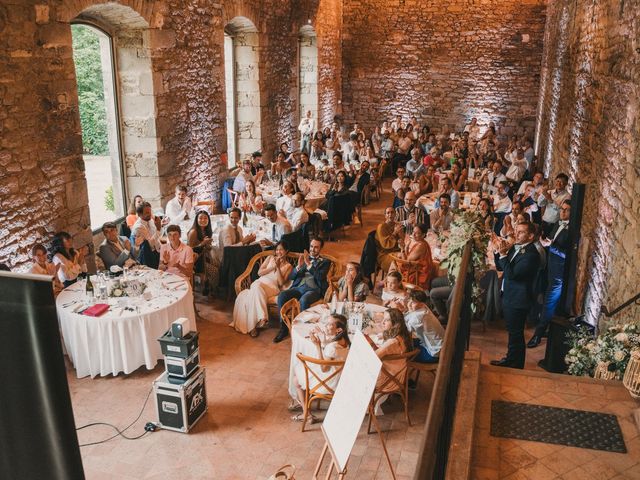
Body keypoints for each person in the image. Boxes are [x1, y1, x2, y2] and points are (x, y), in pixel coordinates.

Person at [491, 221, 541, 368]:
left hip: (519, 299)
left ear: (531, 236)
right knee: (513, 332)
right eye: (516, 231)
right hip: (509, 294)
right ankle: (511, 359)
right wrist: (498, 251)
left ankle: (515, 364)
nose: (516, 234)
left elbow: (512, 275)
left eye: (521, 232)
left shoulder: (531, 255)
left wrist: (503, 254)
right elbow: (502, 266)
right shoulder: (516, 248)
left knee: (516, 334)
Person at [291, 313, 350, 423]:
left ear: (338, 330)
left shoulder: (332, 347)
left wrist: (318, 345)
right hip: (340, 376)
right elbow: (332, 355)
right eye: (326, 323)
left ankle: (306, 414)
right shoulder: (345, 341)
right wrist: (324, 341)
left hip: (330, 382)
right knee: (301, 372)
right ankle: (305, 407)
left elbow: (324, 368)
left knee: (296, 379)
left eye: (330, 325)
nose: (326, 326)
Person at [528, 200, 572, 348]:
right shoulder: (558, 224)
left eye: (566, 210)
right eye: (562, 209)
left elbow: (568, 255)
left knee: (549, 302)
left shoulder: (572, 231)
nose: (563, 212)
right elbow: (553, 241)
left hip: (559, 273)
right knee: (543, 297)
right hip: (549, 267)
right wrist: (546, 242)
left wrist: (551, 246)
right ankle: (543, 325)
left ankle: (538, 335)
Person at [274, 237, 331, 343]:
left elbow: (320, 277)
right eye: (311, 246)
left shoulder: (325, 262)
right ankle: (283, 328)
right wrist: (298, 267)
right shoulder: (304, 258)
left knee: (304, 300)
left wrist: (308, 264)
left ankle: (305, 331)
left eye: (316, 247)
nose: (312, 249)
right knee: (282, 295)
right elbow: (291, 277)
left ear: (321, 248)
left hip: (313, 290)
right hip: (298, 287)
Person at [231, 240, 293, 337]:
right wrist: (273, 267)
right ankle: (257, 323)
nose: (278, 252)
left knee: (253, 289)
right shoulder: (270, 258)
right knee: (255, 287)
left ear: (286, 251)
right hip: (260, 282)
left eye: (281, 250)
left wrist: (278, 267)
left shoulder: (288, 266)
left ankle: (257, 323)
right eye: (277, 250)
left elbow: (281, 283)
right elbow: (260, 273)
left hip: (272, 287)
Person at [368, 308, 413, 398]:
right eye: (383, 319)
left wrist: (370, 344)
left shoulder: (392, 342)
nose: (383, 322)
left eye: (387, 320)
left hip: (388, 381)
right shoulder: (404, 334)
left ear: (396, 323)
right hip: (398, 375)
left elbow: (371, 358)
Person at [405, 289, 444, 363]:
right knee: (405, 343)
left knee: (401, 350)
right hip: (439, 346)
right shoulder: (423, 307)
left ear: (422, 303)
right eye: (409, 301)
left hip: (433, 353)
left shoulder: (420, 315)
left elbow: (405, 331)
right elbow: (408, 318)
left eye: (413, 302)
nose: (409, 304)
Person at [395, 224, 434, 290]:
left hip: (417, 274)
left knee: (394, 264)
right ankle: (389, 284)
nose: (413, 234)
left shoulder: (420, 246)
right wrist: (405, 247)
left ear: (423, 235)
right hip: (413, 268)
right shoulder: (420, 242)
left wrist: (403, 248)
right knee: (395, 263)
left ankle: (389, 285)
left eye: (417, 233)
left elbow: (406, 261)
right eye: (413, 232)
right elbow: (408, 258)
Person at [187, 210, 214, 294]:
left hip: (202, 255)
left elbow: (206, 247)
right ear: (196, 219)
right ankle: (205, 284)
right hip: (194, 258)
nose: (203, 220)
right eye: (200, 218)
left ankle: (208, 284)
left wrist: (208, 245)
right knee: (213, 268)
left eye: (205, 218)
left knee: (216, 263)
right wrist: (203, 243)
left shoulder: (206, 231)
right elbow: (189, 249)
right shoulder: (193, 232)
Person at [131, 201, 163, 268]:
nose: (150, 214)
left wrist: (159, 227)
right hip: (147, 255)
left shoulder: (149, 220)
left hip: (157, 250)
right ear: (139, 214)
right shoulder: (139, 227)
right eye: (147, 213)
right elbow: (150, 245)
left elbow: (158, 236)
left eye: (150, 211)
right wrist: (158, 229)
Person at [375, 207, 404, 272]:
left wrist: (400, 234)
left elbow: (403, 241)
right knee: (400, 265)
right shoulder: (381, 227)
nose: (390, 215)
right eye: (388, 213)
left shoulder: (397, 225)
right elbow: (385, 245)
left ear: (395, 214)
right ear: (385, 215)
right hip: (385, 255)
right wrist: (394, 233)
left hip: (397, 252)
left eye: (392, 212)